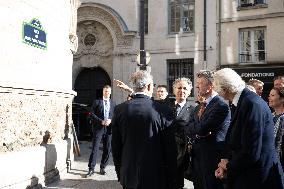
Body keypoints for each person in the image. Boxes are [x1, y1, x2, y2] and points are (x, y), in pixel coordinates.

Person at [213, 68, 284, 189]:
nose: (217, 92)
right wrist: (224, 161)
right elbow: (234, 139)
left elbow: (251, 151)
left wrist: (228, 166)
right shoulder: (241, 102)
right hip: (247, 175)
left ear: (225, 89)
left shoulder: (251, 103)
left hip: (259, 179)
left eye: (216, 88)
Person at [111, 70, 177, 189]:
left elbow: (116, 146)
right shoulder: (163, 110)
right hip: (156, 175)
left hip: (129, 174)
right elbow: (170, 149)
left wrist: (120, 173)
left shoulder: (119, 109)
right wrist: (171, 177)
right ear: (149, 86)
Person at [188, 70, 231, 189]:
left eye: (200, 83)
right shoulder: (199, 106)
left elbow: (202, 128)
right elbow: (188, 127)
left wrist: (197, 131)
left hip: (212, 159)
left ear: (211, 86)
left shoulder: (221, 105)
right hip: (198, 160)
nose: (197, 86)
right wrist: (198, 132)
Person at [86, 85, 116, 177]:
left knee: (107, 149)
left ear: (110, 92)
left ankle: (103, 167)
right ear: (103, 92)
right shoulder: (97, 102)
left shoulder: (113, 103)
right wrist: (101, 121)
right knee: (95, 149)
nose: (107, 93)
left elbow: (115, 114)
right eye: (105, 91)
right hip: (98, 128)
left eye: (108, 91)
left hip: (109, 129)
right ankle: (91, 169)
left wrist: (111, 119)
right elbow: (91, 114)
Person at [170, 78, 195, 189]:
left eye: (185, 88)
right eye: (179, 88)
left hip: (182, 152)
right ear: (174, 90)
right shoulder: (166, 108)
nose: (182, 90)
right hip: (166, 150)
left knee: (178, 182)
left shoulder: (193, 110)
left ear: (189, 92)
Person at [268, 87, 284, 168]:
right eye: (269, 95)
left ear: (282, 99)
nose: (269, 98)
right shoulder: (269, 116)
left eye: (272, 95)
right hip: (270, 162)